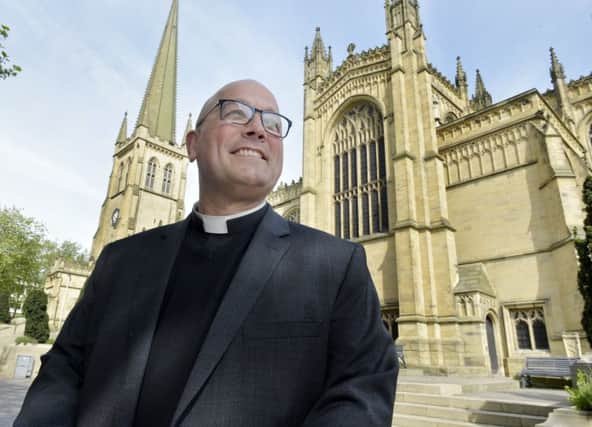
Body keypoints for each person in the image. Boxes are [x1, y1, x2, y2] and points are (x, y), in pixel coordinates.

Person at [15, 79, 397, 427]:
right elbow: (63, 372)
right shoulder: (120, 260)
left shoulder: (334, 264)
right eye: (236, 113)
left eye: (273, 123)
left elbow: (362, 390)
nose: (258, 128)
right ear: (193, 145)